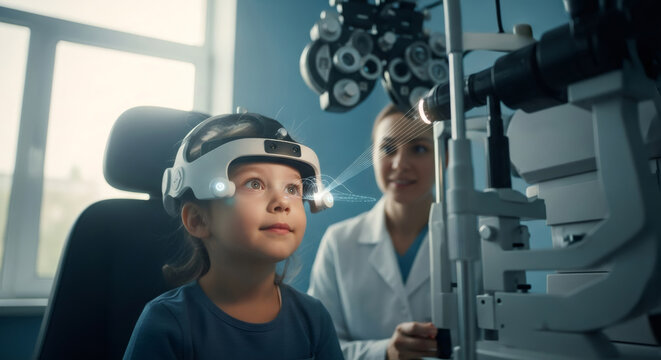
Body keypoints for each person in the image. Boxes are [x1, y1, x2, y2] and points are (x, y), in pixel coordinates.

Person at [124, 113, 343, 360]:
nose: (282, 202)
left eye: (292, 189)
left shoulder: (314, 319)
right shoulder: (166, 323)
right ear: (197, 220)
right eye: (254, 184)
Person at [308, 103, 438, 359]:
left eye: (419, 148)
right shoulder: (339, 242)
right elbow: (318, 346)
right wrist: (384, 353)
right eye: (388, 149)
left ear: (444, 157)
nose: (400, 164)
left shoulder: (476, 240)